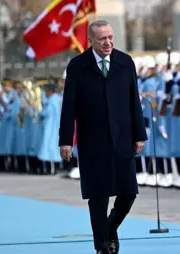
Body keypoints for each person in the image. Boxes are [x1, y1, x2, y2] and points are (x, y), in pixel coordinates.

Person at [58, 20, 147, 254]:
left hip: (122, 139)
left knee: (128, 193)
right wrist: (65, 140)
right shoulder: (78, 66)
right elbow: (69, 106)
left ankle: (109, 229)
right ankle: (102, 246)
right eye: (102, 39)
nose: (108, 42)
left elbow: (133, 100)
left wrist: (140, 134)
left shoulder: (125, 62)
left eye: (110, 37)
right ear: (91, 41)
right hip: (92, 140)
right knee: (98, 196)